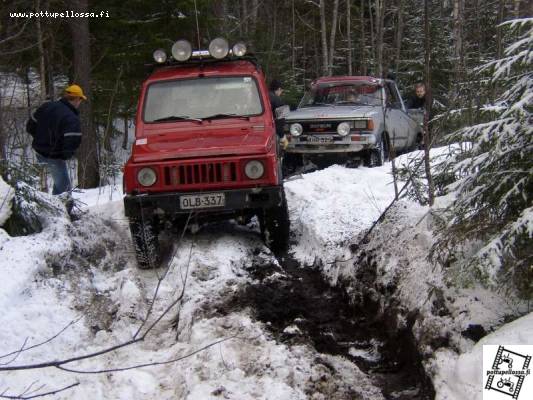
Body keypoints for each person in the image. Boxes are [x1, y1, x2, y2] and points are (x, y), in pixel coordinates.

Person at [26, 84, 85, 195]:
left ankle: (55, 208)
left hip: (38, 152)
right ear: (77, 99)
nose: (80, 102)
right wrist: (65, 155)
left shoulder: (46, 106)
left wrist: (40, 139)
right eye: (81, 99)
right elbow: (72, 141)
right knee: (65, 191)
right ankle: (65, 211)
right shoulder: (71, 118)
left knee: (59, 185)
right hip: (53, 156)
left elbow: (30, 126)